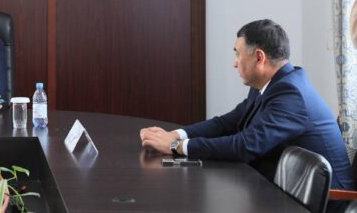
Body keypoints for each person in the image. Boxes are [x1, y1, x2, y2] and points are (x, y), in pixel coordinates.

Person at [139, 19, 354, 190]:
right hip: (285, 189)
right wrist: (176, 135)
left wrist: (176, 147)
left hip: (326, 202)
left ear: (259, 57)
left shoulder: (290, 94)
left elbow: (246, 146)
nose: (235, 63)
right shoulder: (272, 84)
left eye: (237, 54)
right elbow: (226, 123)